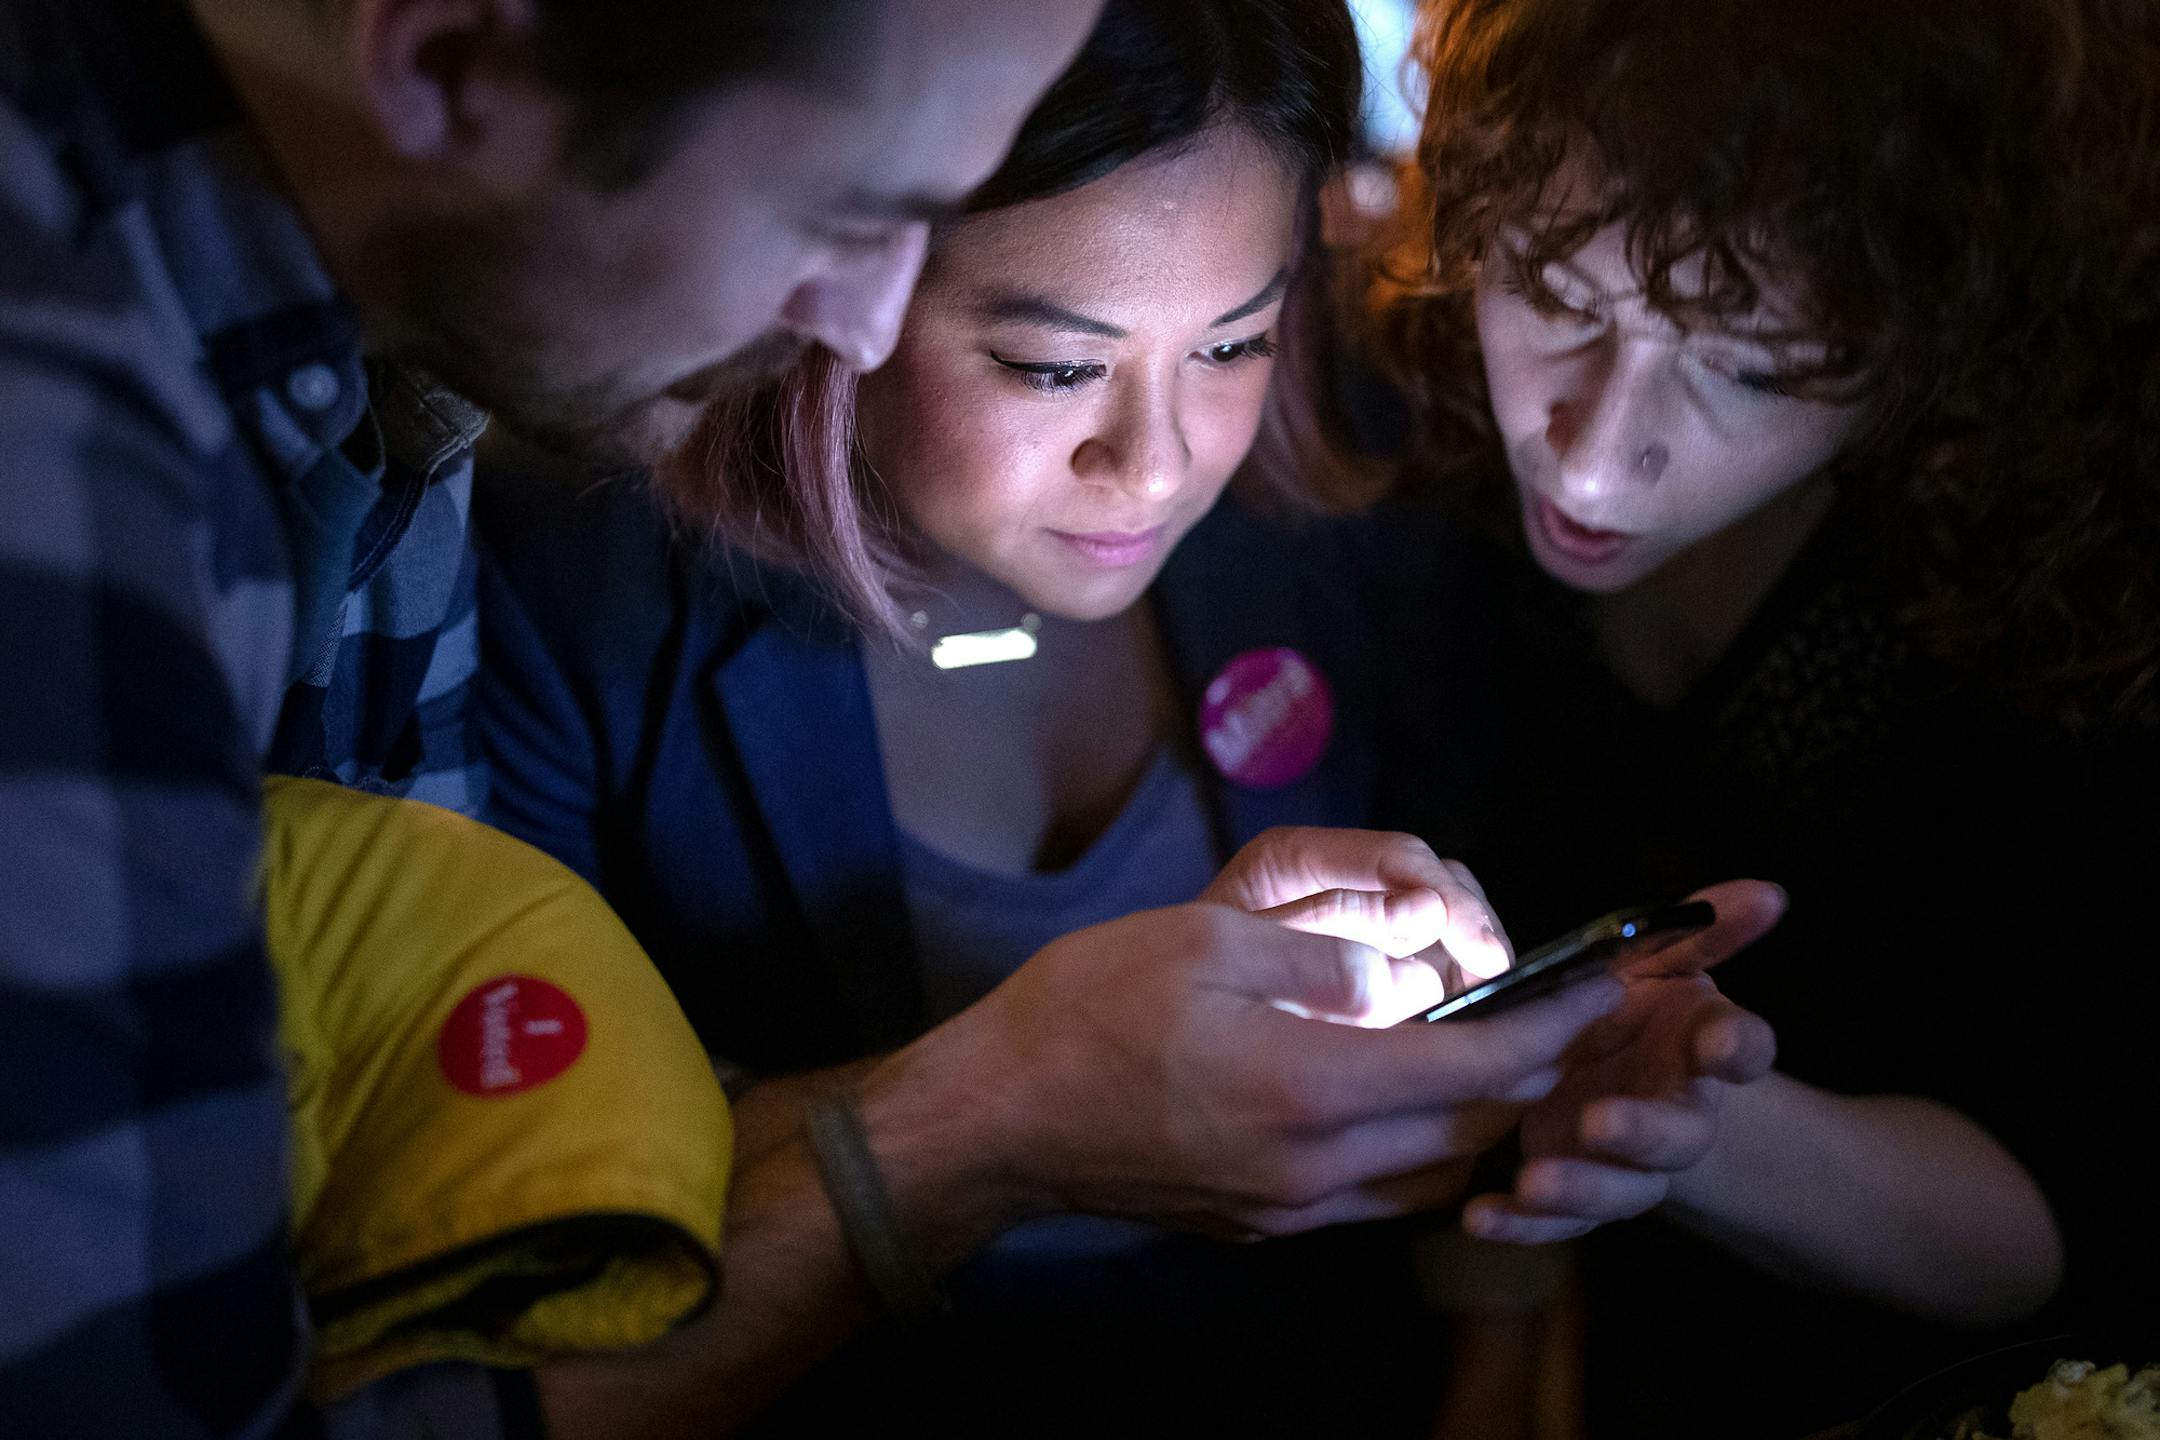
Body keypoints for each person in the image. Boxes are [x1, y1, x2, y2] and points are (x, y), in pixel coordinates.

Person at [479, 1, 1781, 1432]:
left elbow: (1489, 1067)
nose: (1156, 465)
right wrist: (1002, 1112)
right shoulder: (575, 596)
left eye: (1234, 345)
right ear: (832, 287)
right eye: (1051, 366)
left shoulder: (1351, 482)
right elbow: (540, 1224)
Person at [0, 0, 1102, 1434]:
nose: (869, 327)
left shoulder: (402, 347)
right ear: (448, 63)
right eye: (839, 217)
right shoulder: (55, 462)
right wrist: (982, 1138)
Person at [1366, 0, 2160, 1430]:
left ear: (1935, 357)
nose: (1594, 469)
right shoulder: (1407, 424)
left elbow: (2067, 1215)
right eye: (1554, 291)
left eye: (1751, 370)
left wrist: (1707, 1132)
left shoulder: (2045, 602)